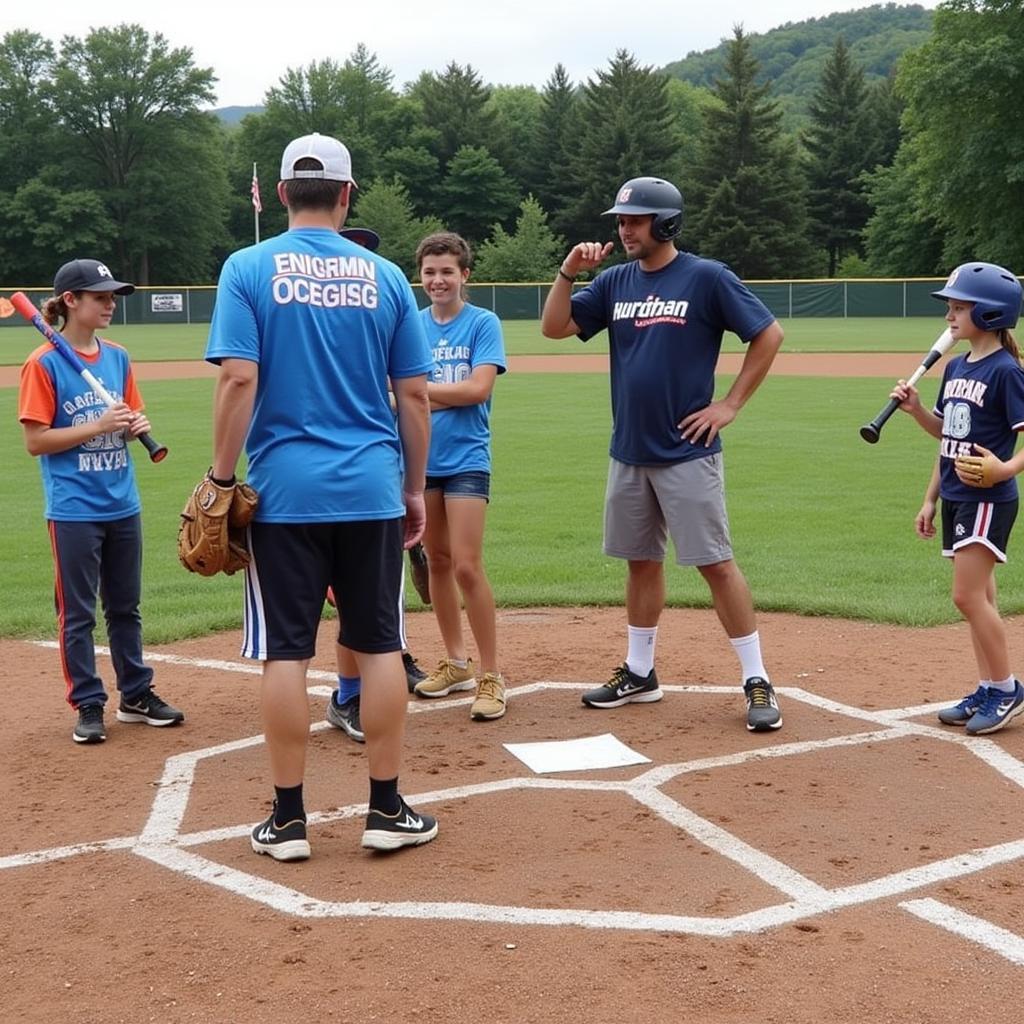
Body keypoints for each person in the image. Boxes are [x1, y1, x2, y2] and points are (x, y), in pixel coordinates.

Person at [204, 132, 438, 858]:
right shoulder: (389, 277)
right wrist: (413, 488)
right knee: (379, 646)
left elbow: (239, 379)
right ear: (347, 193)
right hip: (370, 487)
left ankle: (289, 820)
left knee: (284, 653)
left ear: (280, 194)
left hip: (283, 494)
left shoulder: (247, 267)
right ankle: (387, 809)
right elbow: (417, 398)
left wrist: (218, 477)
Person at [540, 176, 785, 731]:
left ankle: (756, 678)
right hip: (629, 449)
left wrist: (730, 404)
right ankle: (640, 670)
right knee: (640, 561)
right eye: (620, 221)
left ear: (666, 224)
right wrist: (567, 273)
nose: (624, 230)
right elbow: (555, 327)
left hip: (687, 451)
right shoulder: (614, 282)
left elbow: (767, 335)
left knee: (716, 564)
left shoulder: (706, 277)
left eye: (635, 220)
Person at [18, 258, 185, 744]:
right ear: (70, 301)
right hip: (73, 508)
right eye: (101, 297)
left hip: (122, 502)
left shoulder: (117, 356)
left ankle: (136, 693)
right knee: (78, 612)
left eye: (113, 296)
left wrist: (135, 429)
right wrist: (98, 425)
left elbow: (128, 417)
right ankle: (88, 703)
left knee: (126, 606)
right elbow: (36, 441)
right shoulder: (43, 363)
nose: (111, 304)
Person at [890, 261, 1024, 735]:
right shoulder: (955, 368)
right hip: (956, 495)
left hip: (989, 498)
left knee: (967, 597)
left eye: (959, 306)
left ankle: (1007, 690)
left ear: (989, 314)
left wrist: (1003, 469)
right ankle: (989, 685)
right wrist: (916, 412)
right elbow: (947, 438)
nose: (949, 315)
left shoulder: (1006, 371)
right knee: (980, 596)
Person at [410, 232, 508, 721]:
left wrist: (419, 392)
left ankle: (491, 674)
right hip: (423, 459)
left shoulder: (482, 323)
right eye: (429, 272)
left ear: (464, 275)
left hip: (467, 458)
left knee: (468, 565)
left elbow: (477, 389)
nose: (437, 280)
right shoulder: (412, 325)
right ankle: (456, 662)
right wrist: (438, 391)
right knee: (438, 562)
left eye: (447, 271)